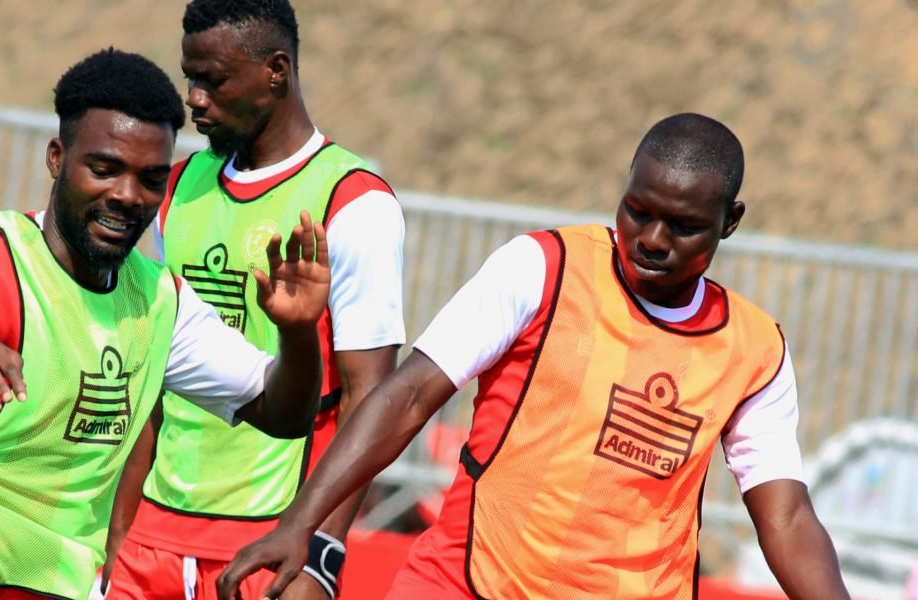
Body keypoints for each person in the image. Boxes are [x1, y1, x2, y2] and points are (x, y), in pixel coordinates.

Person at [217, 113, 851, 599]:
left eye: (682, 226)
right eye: (638, 211)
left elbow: (787, 515)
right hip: (468, 580)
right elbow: (406, 396)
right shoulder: (541, 268)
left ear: (729, 221)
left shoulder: (755, 348)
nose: (652, 240)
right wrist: (302, 521)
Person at [0, 47, 333, 600]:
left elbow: (284, 414)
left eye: (150, 179)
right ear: (56, 157)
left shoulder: (162, 305)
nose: (126, 195)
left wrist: (297, 333)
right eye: (104, 168)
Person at [101, 1, 405, 599]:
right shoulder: (177, 188)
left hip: (267, 546)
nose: (193, 97)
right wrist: (116, 529)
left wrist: (319, 555)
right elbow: (150, 375)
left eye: (212, 80)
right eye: (190, 77)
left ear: (276, 71)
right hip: (148, 544)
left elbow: (368, 396)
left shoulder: (354, 203)